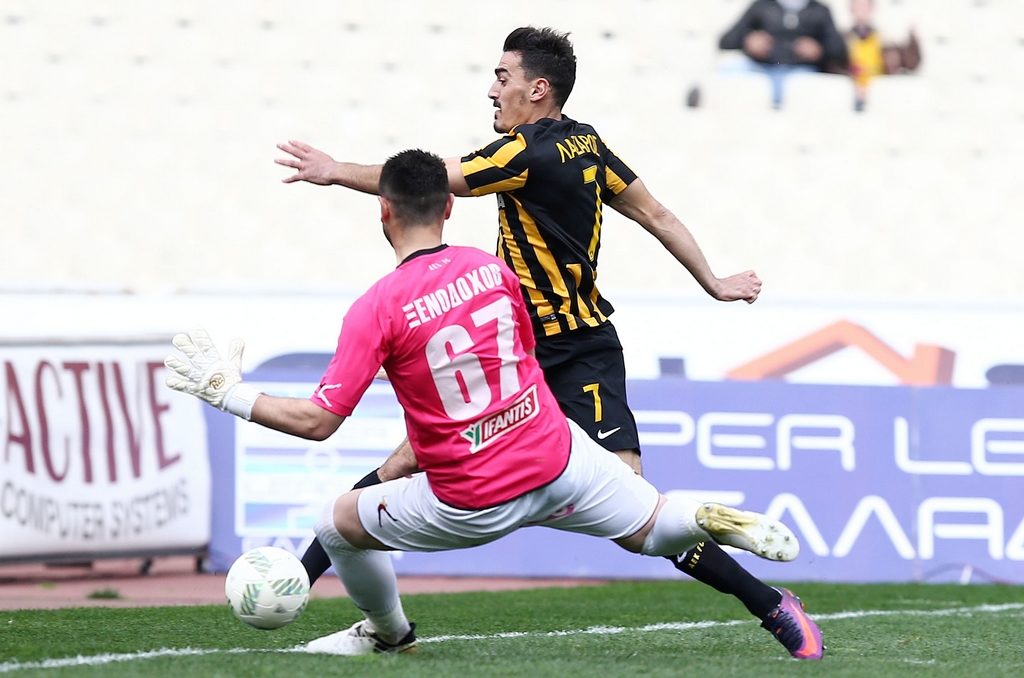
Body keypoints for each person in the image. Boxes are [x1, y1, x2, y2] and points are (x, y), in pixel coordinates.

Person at [275, 27, 824, 660]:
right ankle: (303, 576)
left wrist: (333, 171)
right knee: (417, 464)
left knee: (633, 516)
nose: (493, 90)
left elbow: (422, 184)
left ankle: (769, 601)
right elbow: (655, 213)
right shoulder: (587, 142)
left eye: (502, 77)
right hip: (529, 355)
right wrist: (714, 281)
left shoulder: (522, 153)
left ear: (537, 89)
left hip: (563, 351)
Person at [165, 149, 803, 656]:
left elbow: (318, 422)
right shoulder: (493, 270)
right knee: (654, 523)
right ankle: (704, 514)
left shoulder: (376, 308)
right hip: (559, 459)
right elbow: (521, 361)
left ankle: (389, 633)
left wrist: (227, 392)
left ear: (383, 212)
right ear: (449, 206)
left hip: (473, 498)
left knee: (339, 523)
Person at [718, 0, 849, 109]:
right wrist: (748, 40)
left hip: (800, 71)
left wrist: (819, 50)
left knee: (803, 87)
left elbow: (839, 51)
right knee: (729, 70)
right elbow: (725, 41)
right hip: (761, 68)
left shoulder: (820, 11)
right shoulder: (761, 6)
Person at [846, 0, 921, 111]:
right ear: (851, 9)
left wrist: (913, 37)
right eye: (857, 6)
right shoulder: (842, 39)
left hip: (881, 94)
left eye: (864, 6)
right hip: (852, 91)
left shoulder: (883, 38)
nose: (861, 10)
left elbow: (910, 62)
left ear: (872, 9)